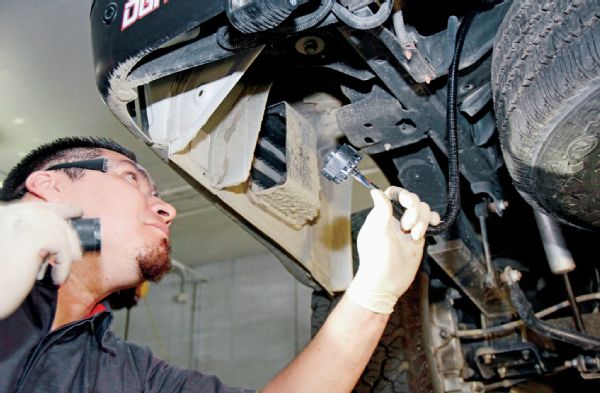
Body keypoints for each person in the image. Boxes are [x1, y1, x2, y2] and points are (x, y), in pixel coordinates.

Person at [0, 136, 440, 393]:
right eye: (132, 179)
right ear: (48, 186)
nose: (167, 210)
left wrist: (374, 294)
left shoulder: (129, 373)